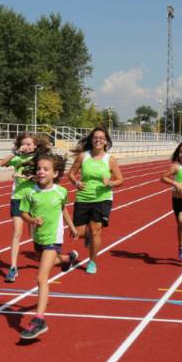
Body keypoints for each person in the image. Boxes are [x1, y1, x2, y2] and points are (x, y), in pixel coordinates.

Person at [19, 152, 79, 339]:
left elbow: (63, 209)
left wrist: (71, 227)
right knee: (44, 261)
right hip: (38, 238)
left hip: (54, 238)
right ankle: (67, 259)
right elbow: (24, 214)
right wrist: (32, 220)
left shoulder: (61, 192)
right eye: (39, 168)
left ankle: (39, 320)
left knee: (41, 278)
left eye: (46, 169)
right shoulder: (30, 192)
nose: (41, 171)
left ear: (55, 173)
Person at [67, 126, 123, 274]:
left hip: (102, 198)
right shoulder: (83, 156)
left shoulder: (110, 159)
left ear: (106, 141)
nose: (98, 140)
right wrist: (76, 182)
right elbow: (71, 174)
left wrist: (110, 183)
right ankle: (89, 236)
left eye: (101, 138)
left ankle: (92, 262)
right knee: (78, 232)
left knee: (96, 230)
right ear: (92, 140)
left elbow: (120, 179)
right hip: (83, 197)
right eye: (95, 137)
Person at [0, 132, 38, 282]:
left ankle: (50, 256)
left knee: (34, 234)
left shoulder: (38, 158)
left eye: (29, 144)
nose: (26, 147)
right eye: (23, 144)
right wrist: (15, 152)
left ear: (35, 145)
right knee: (17, 232)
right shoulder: (17, 158)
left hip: (34, 198)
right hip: (18, 198)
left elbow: (47, 175)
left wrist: (33, 177)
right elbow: (2, 163)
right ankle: (13, 267)